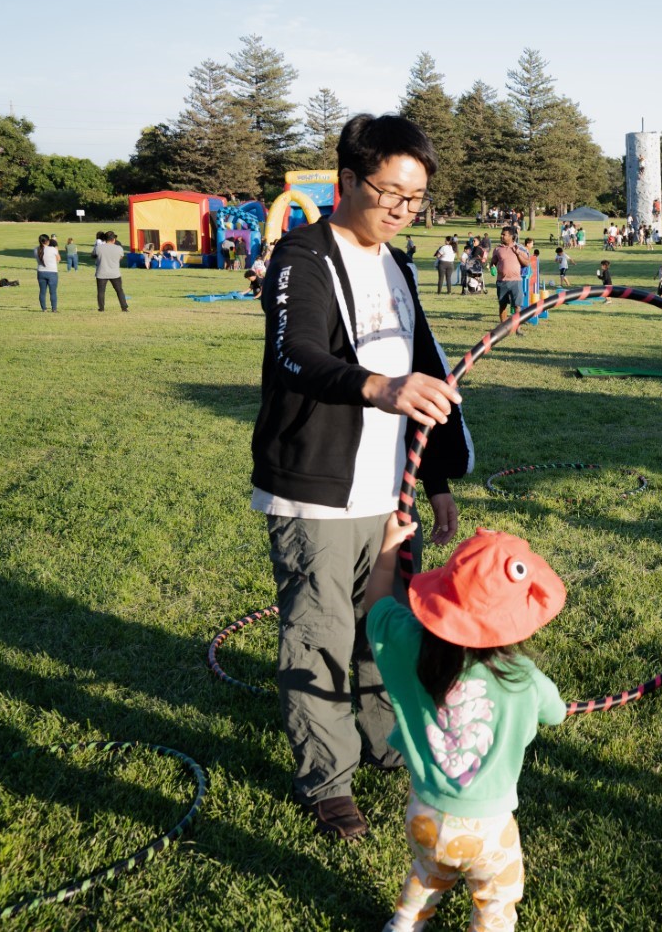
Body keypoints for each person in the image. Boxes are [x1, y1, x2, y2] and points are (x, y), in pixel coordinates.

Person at [251, 113, 473, 840]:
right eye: (392, 195)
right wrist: (381, 387)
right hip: (315, 487)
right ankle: (327, 778)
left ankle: (384, 740)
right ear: (348, 180)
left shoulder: (399, 263)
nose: (404, 212)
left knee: (387, 626)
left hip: (390, 491)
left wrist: (435, 475)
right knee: (320, 630)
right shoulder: (302, 256)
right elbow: (297, 353)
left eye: (417, 201)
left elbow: (429, 375)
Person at [364, 518, 567, 932]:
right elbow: (557, 712)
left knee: (427, 873)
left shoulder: (409, 644)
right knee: (497, 899)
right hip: (487, 831)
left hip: (424, 816)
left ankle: (404, 923)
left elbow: (377, 605)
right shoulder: (525, 679)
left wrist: (387, 550)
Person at [490, 226, 530, 329]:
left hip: (516, 281)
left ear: (512, 236)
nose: (501, 236)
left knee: (517, 305)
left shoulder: (519, 248)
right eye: (502, 234)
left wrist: (518, 254)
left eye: (504, 234)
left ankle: (517, 327)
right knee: (502, 305)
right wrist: (492, 267)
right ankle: (503, 327)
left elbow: (526, 263)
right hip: (501, 281)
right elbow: (493, 263)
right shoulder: (497, 249)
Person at [92, 231, 129, 311]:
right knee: (119, 290)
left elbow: (93, 256)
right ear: (114, 239)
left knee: (101, 291)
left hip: (101, 272)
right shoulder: (119, 248)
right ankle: (124, 307)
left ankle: (101, 308)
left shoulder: (98, 248)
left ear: (105, 239)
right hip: (115, 273)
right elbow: (121, 258)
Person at [34, 234, 60, 312]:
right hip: (52, 272)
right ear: (47, 241)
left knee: (42, 291)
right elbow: (58, 258)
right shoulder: (52, 249)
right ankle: (54, 308)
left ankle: (44, 308)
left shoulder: (36, 249)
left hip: (41, 272)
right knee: (53, 292)